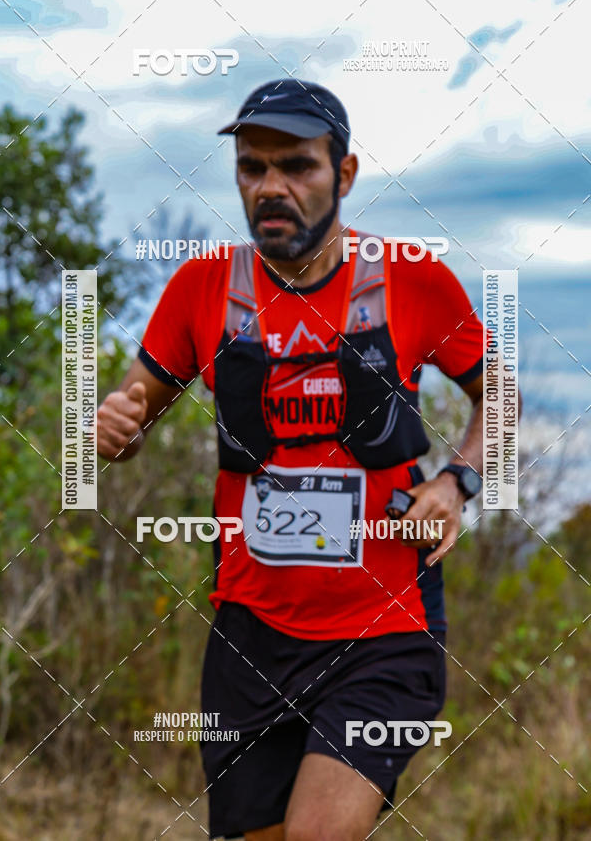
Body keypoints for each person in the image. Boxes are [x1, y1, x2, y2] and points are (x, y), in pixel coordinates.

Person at [97, 80, 507, 841]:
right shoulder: (201, 288)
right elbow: (127, 413)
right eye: (252, 168)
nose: (271, 187)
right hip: (250, 634)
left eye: (297, 166)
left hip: (384, 631)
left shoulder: (410, 280)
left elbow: (503, 399)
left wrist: (460, 480)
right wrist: (111, 429)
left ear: (343, 175)